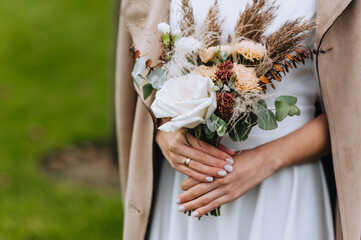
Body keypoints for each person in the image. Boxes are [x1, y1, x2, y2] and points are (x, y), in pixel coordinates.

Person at [115, 0, 361, 239]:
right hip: (189, 183)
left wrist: (265, 160)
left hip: (283, 183)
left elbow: (351, 112)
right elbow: (147, 65)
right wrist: (165, 131)